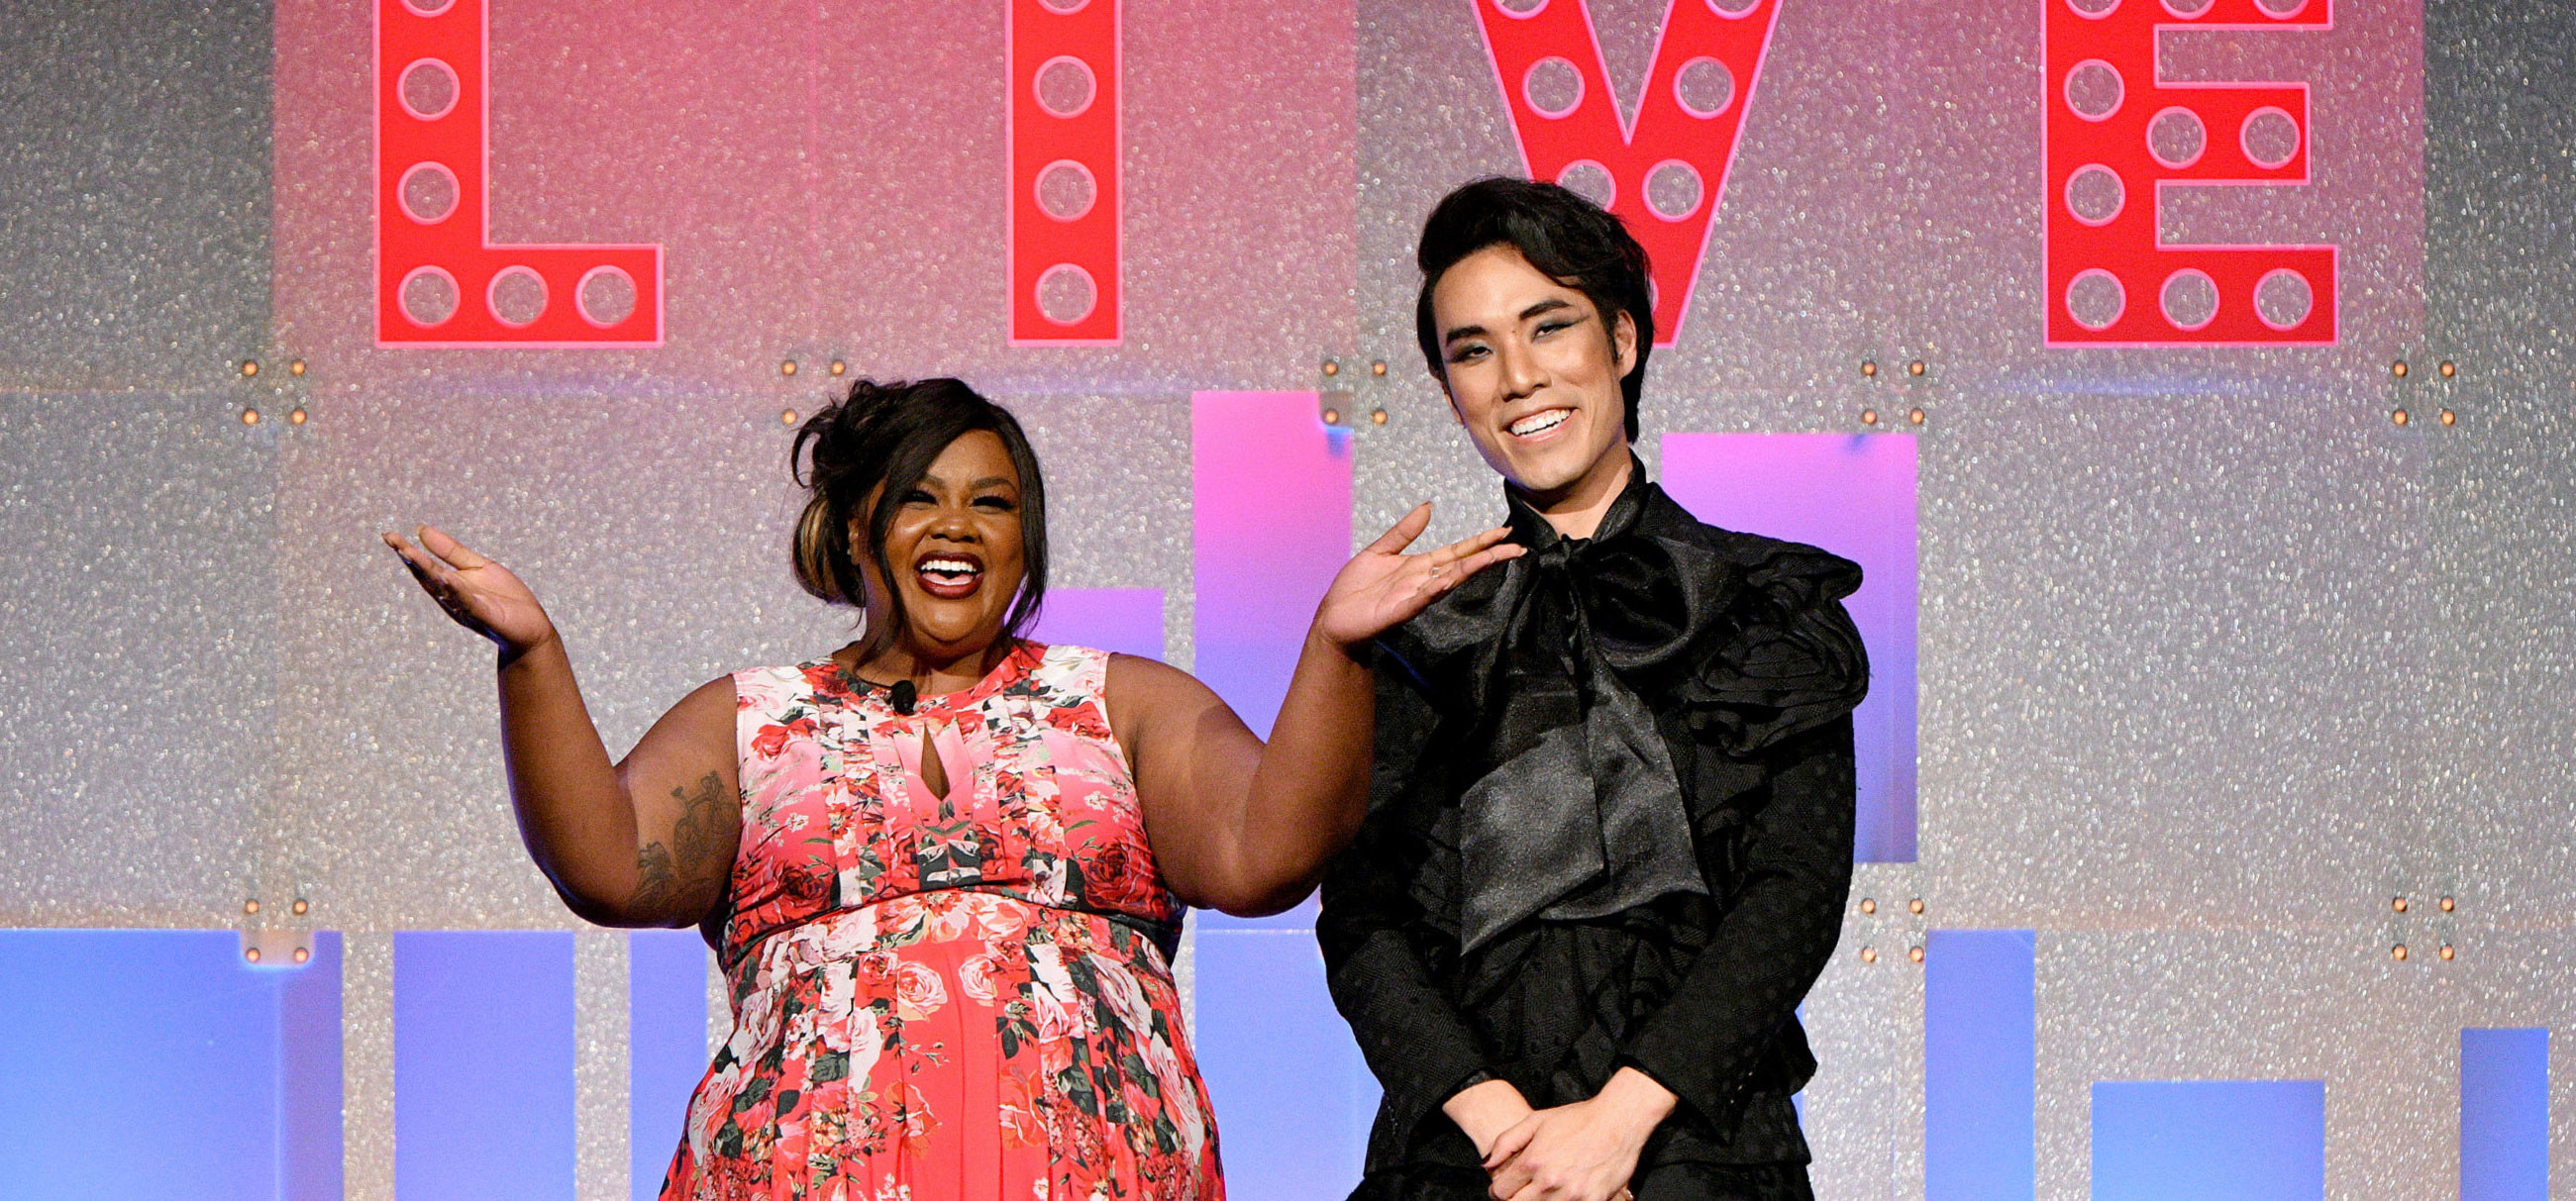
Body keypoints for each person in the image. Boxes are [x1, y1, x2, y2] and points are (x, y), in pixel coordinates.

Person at [384, 374, 1522, 1201]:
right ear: (855, 527)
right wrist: (530, 654)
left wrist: (1335, 646)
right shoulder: (754, 716)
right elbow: (610, 868)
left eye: (993, 503)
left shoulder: (1118, 701)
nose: (958, 528)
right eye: (920, 497)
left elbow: (1263, 856)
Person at [1319, 179, 1870, 1201]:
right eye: (1473, 350)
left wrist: (1618, 1124)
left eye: (1549, 328)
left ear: (1619, 341)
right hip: (1464, 1161)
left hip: (1698, 1154)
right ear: (1448, 390)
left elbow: (1792, 892)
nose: (1518, 378)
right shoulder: (1415, 632)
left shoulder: (1763, 606)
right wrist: (1508, 1137)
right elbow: (1359, 921)